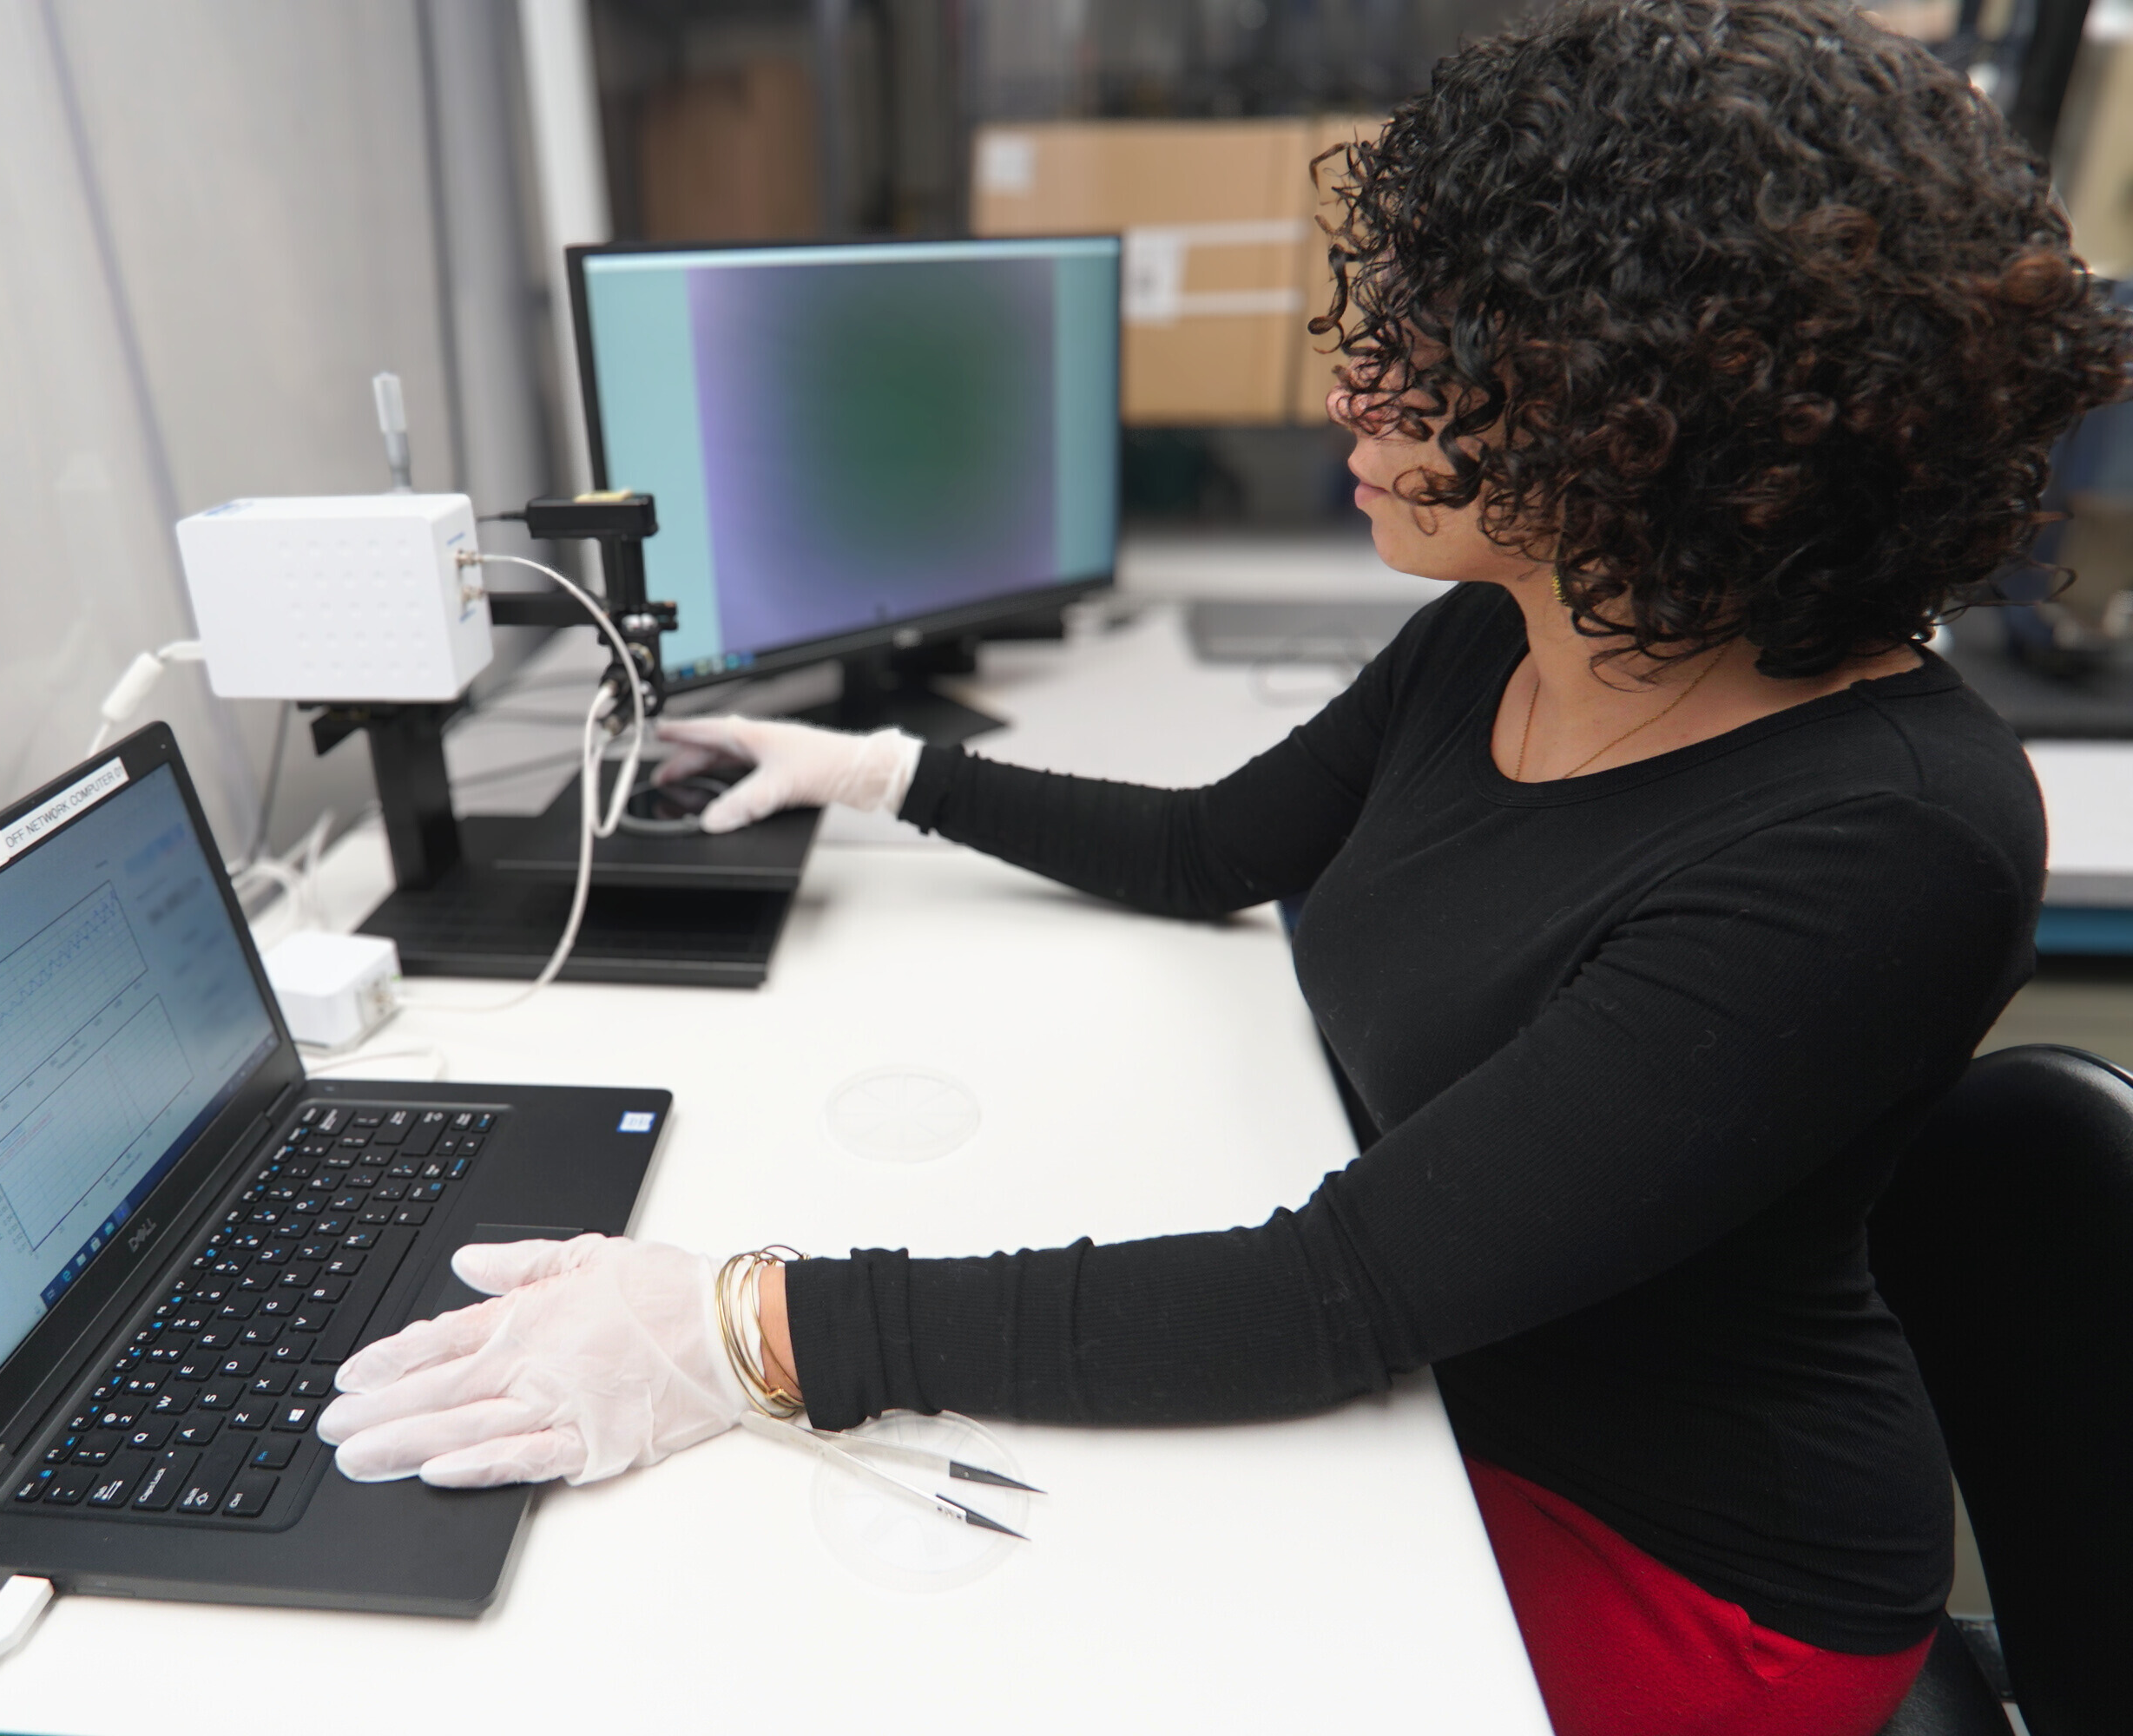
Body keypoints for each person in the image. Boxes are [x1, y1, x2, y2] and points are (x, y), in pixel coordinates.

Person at [317, 3, 2132, 1731]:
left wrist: (748, 1323)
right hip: (1431, 1389)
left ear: (1672, 419)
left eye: (1446, 351)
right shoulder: (1526, 627)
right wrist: (885, 769)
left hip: (1676, 1568)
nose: (1355, 379)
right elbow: (1218, 848)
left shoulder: (1880, 836)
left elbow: (1335, 1292)